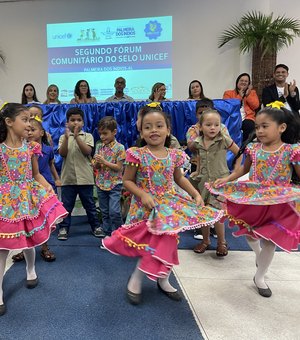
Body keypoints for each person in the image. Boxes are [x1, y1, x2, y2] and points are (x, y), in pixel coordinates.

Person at [102, 108, 223, 305]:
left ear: (168, 130)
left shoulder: (174, 155)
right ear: (141, 132)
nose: (154, 130)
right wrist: (143, 194)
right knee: (152, 245)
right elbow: (127, 181)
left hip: (168, 207)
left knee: (168, 242)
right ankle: (136, 278)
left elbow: (179, 178)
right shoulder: (136, 155)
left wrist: (194, 193)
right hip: (145, 208)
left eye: (159, 126)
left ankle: (163, 279)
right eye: (147, 127)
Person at [207, 102, 300, 298]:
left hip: (278, 202)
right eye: (257, 127)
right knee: (250, 233)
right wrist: (227, 178)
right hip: (253, 197)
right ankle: (259, 256)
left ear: (282, 127)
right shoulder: (253, 149)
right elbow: (243, 170)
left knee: (270, 240)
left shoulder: (291, 151)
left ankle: (260, 276)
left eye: (265, 126)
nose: (259, 130)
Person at [0, 103, 67, 316]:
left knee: (28, 237)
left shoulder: (31, 148)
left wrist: (49, 190)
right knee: (2, 247)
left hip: (27, 199)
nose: (29, 124)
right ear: (9, 122)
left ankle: (31, 269)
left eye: (31, 120)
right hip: (5, 202)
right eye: (25, 119)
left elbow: (36, 174)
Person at [12, 116, 61, 263]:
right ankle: (24, 248)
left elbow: (51, 165)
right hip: (26, 188)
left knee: (43, 218)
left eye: (33, 129)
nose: (30, 132)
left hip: (44, 185)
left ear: (42, 132)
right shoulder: (22, 148)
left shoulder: (47, 149)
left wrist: (57, 178)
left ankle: (44, 247)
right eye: (28, 129)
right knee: (26, 219)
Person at [192, 109, 240, 256]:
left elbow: (239, 153)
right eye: (208, 124)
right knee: (204, 213)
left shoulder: (224, 139)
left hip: (220, 182)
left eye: (216, 124)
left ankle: (221, 242)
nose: (213, 128)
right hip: (203, 182)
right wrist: (197, 171)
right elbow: (199, 158)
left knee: (218, 215)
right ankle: (205, 241)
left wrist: (236, 172)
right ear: (200, 127)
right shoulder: (198, 142)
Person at [57, 107, 105, 240]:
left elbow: (87, 151)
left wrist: (76, 136)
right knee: (66, 206)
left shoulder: (88, 136)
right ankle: (64, 228)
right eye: (72, 120)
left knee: (89, 205)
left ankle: (96, 226)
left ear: (83, 123)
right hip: (68, 179)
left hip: (85, 178)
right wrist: (67, 138)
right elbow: (62, 153)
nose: (76, 123)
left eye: (79, 120)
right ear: (67, 123)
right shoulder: (63, 137)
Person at [93, 116, 126, 235]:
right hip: (101, 183)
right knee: (104, 212)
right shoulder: (99, 146)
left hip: (114, 184)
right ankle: (107, 234)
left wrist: (104, 162)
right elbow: (95, 166)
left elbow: (119, 168)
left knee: (115, 211)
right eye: (100, 134)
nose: (102, 137)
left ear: (114, 132)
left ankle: (119, 233)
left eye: (105, 133)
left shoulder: (120, 148)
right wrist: (96, 162)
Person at [223, 73, 260, 141]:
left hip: (248, 118)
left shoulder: (252, 93)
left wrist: (247, 95)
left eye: (246, 81)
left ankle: (244, 145)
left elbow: (255, 106)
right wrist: (240, 96)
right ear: (237, 82)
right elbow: (228, 107)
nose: (243, 82)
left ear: (249, 84)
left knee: (249, 125)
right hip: (233, 117)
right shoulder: (228, 93)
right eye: (241, 80)